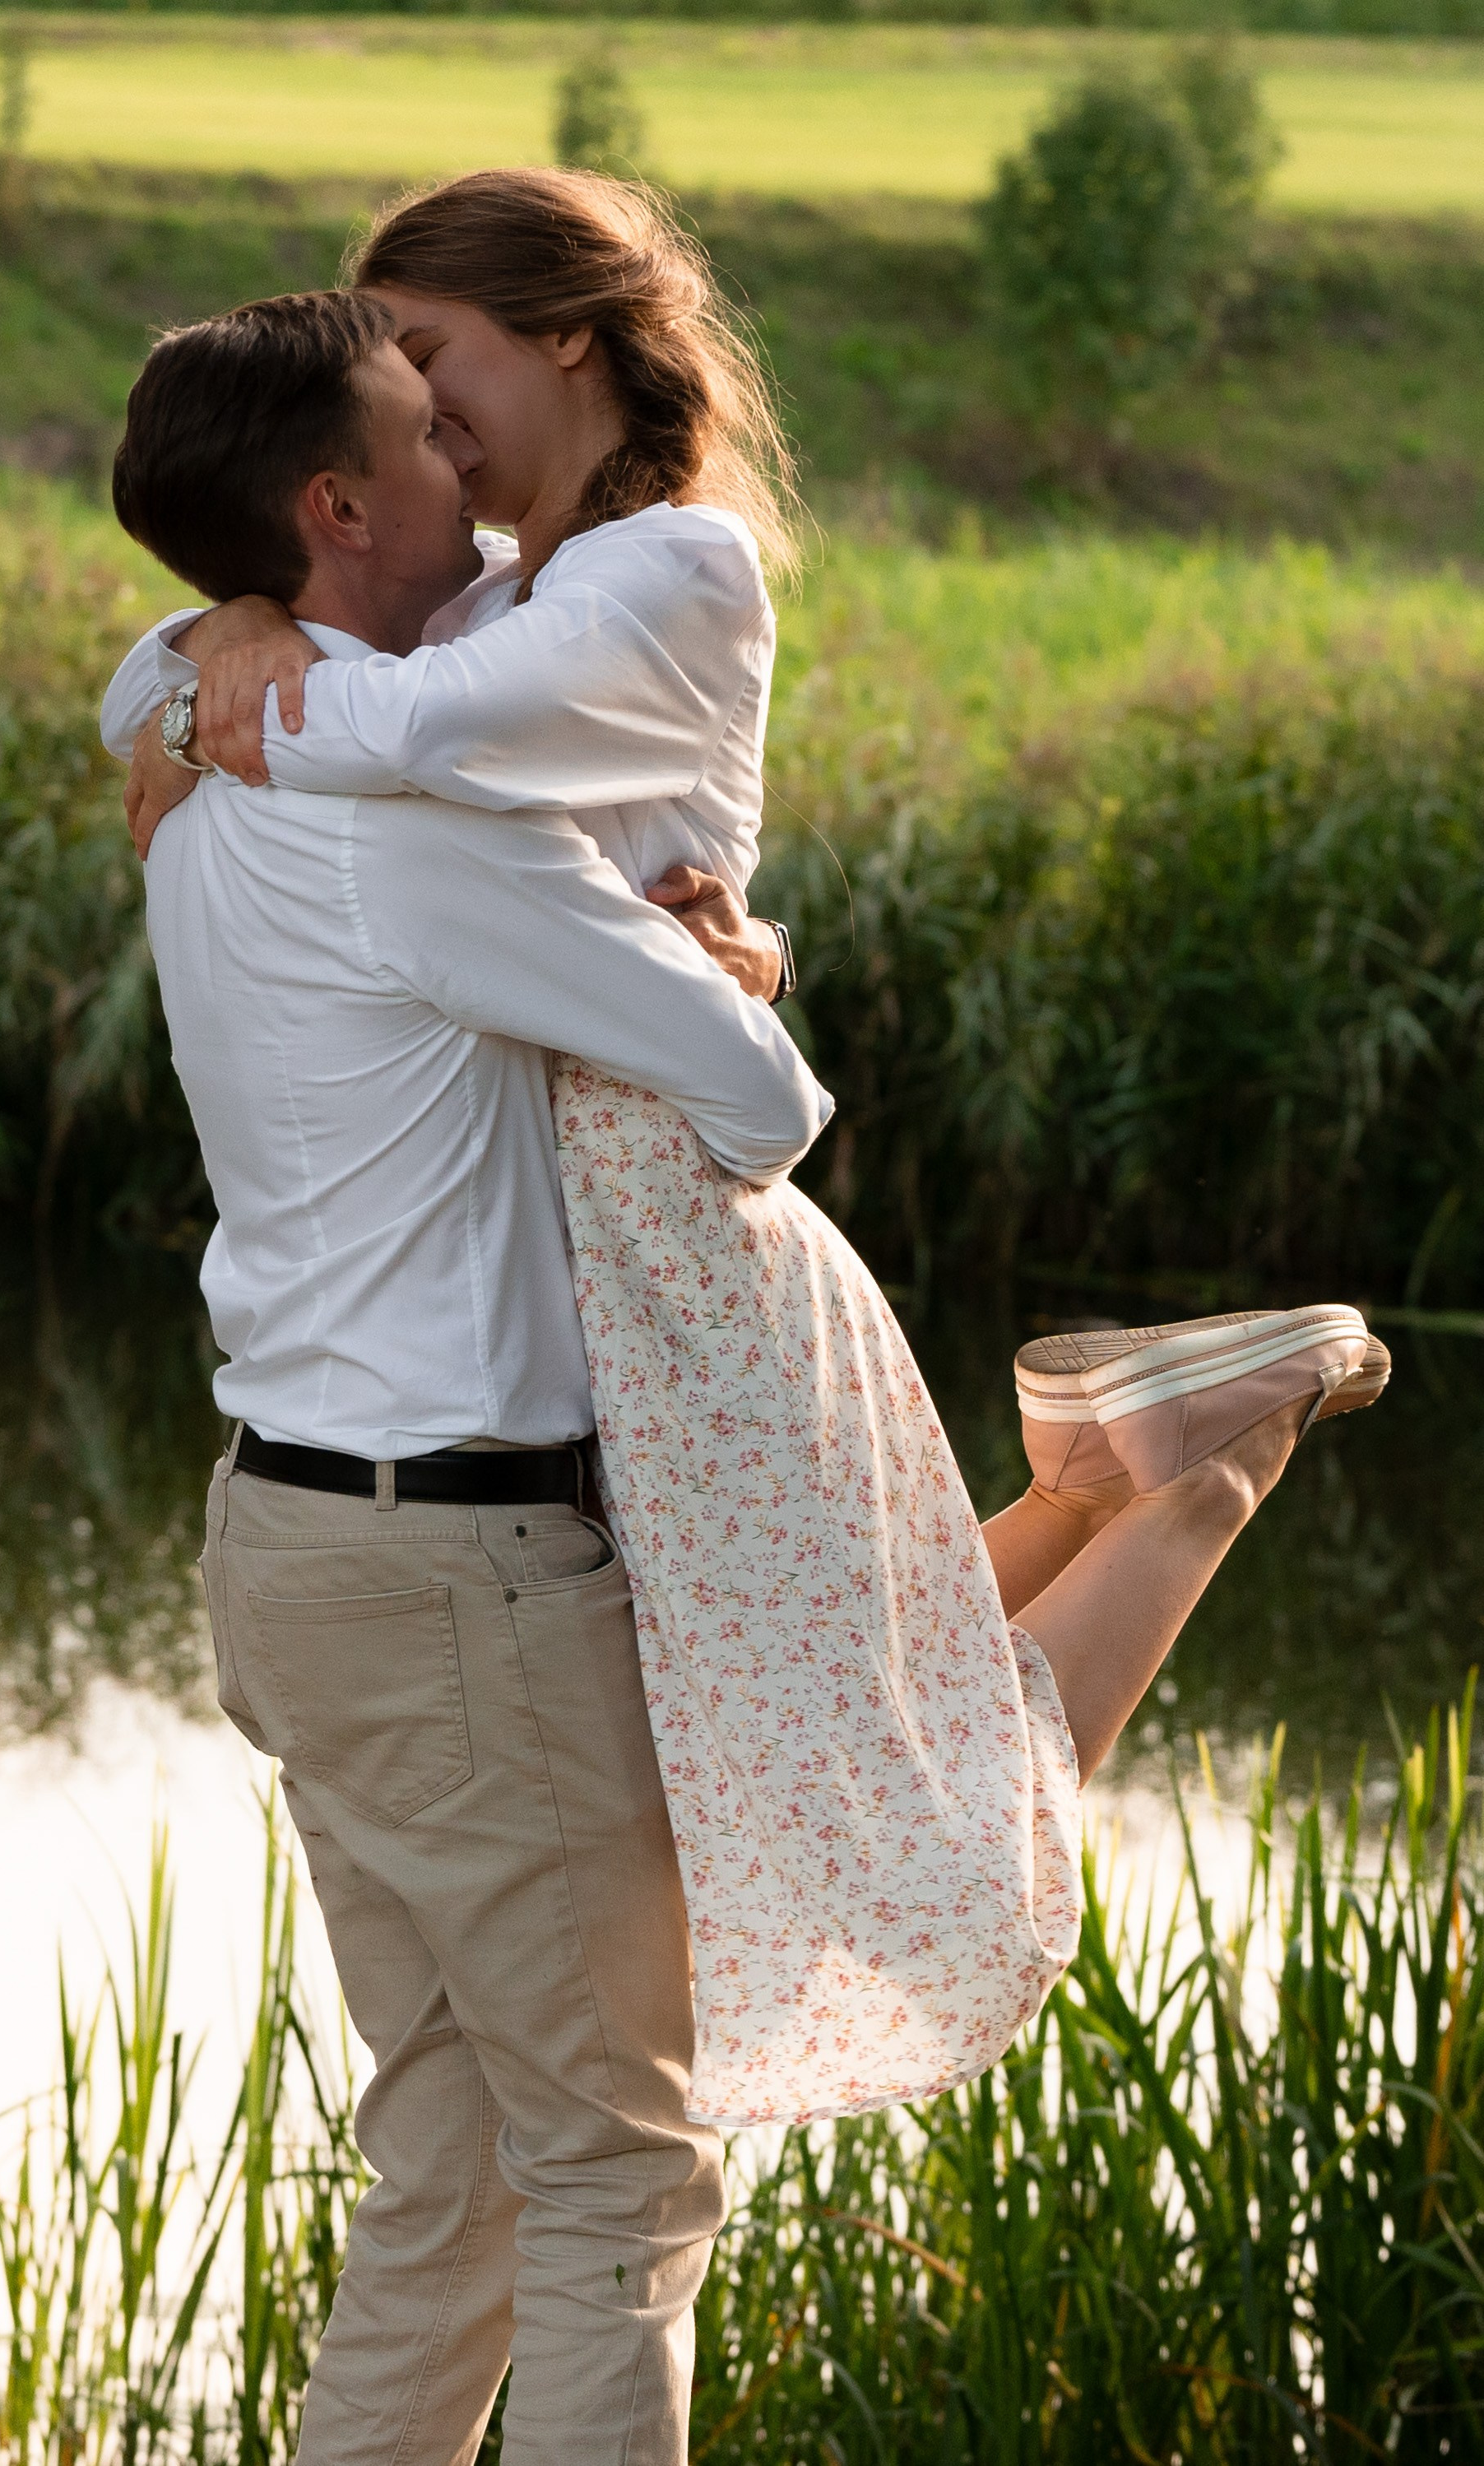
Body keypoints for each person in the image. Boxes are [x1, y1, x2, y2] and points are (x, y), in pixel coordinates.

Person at [104, 171, 1387, 2138]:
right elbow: (291, 663)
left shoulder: (669, 569)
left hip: (667, 1210)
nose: (430, 424)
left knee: (863, 1768)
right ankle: (1101, 1461)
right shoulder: (490, 577)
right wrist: (234, 628)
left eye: (440, 364)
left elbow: (423, 728)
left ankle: (1202, 1479)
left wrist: (230, 685)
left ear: (567, 336)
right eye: (402, 405)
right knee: (794, 1711)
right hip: (597, 1223)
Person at [111, 286, 827, 2466]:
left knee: (458, 2176)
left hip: (295, 1547)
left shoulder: (202, 763)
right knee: (619, 2179)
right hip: (463, 1573)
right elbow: (759, 1101)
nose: (478, 483)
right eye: (430, 439)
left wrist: (205, 644)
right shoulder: (414, 821)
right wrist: (698, 958)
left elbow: (164, 669)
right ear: (338, 508)